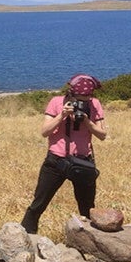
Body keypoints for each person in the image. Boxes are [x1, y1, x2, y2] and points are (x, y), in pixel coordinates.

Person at [20, 73, 106, 233]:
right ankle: (23, 237)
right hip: (56, 161)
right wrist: (62, 115)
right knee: (38, 204)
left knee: (87, 209)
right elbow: (44, 132)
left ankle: (90, 245)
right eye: (79, 99)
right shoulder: (56, 102)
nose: (82, 102)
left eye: (85, 99)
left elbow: (102, 135)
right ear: (71, 94)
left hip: (83, 162)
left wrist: (87, 120)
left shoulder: (95, 104)